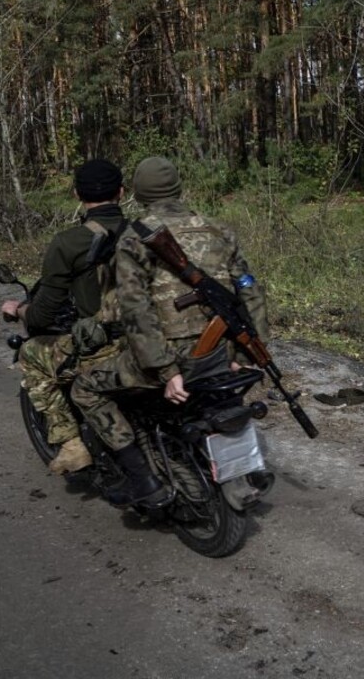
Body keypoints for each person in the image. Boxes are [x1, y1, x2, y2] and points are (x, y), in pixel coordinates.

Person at [70, 156, 269, 507]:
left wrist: (166, 370)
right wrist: (246, 354)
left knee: (85, 387)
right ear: (179, 187)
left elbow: (136, 309)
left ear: (136, 193)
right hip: (220, 354)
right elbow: (250, 290)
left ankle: (143, 480)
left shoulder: (136, 237)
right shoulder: (219, 229)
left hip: (175, 360)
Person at [1, 158, 129, 476]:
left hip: (107, 346)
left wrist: (20, 310)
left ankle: (71, 445)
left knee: (31, 353)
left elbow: (42, 314)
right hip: (149, 337)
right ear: (122, 193)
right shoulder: (146, 233)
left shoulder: (69, 243)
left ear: (76, 195)